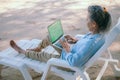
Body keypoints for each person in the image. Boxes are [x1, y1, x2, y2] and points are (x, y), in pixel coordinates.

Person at [10, 5, 111, 67]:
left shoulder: (91, 43)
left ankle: (23, 52)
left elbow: (75, 62)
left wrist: (67, 50)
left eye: (87, 18)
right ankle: (38, 48)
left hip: (67, 62)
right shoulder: (98, 35)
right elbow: (85, 43)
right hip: (70, 50)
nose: (85, 20)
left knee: (45, 56)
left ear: (93, 24)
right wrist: (75, 40)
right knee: (52, 36)